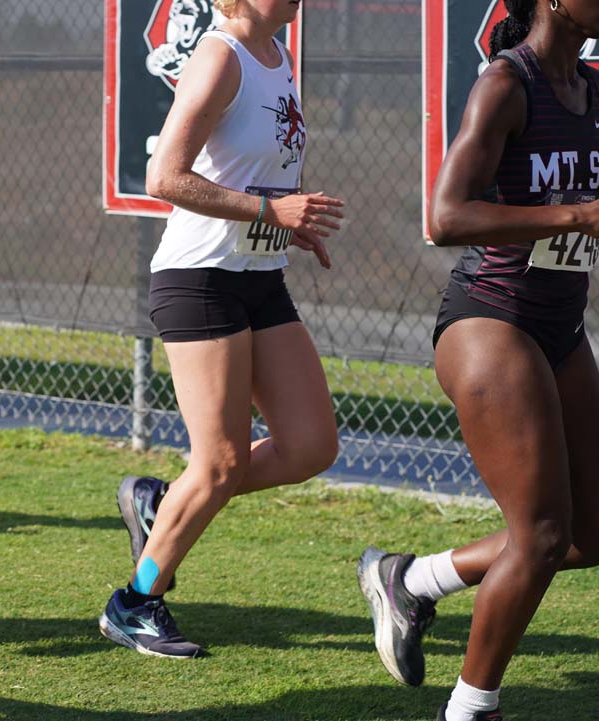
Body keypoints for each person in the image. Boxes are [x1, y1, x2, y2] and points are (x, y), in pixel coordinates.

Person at [356, 2, 599, 719]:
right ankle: (471, 707)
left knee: (589, 533)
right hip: (491, 319)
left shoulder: (590, 86)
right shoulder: (506, 82)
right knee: (543, 534)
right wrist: (575, 215)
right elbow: (445, 217)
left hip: (559, 326)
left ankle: (412, 579)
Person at [99, 0, 343, 659]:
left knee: (312, 443)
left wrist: (286, 222)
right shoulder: (220, 54)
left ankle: (166, 502)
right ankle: (135, 602)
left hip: (258, 276)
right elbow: (164, 176)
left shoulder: (277, 53)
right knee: (221, 461)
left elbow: (253, 174)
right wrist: (271, 207)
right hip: (199, 279)